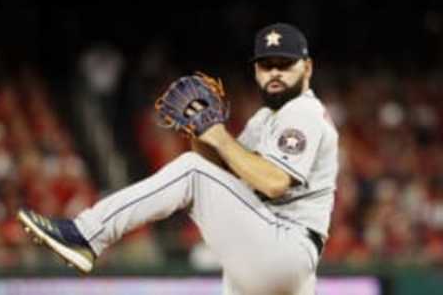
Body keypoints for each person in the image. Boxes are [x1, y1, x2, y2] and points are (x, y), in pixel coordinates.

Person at [17, 23, 339, 295]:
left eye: (285, 64)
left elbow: (273, 183)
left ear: (307, 68)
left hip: (284, 247)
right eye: (267, 65)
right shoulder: (265, 119)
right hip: (268, 252)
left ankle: (86, 234)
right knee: (196, 169)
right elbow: (226, 176)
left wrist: (218, 135)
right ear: (256, 69)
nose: (275, 73)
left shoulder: (303, 112)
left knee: (190, 171)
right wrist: (200, 133)